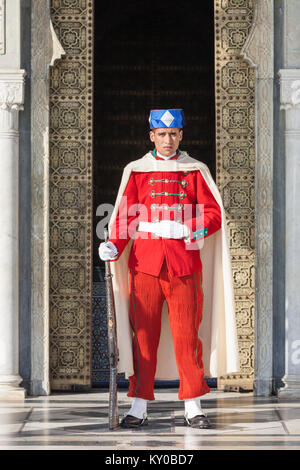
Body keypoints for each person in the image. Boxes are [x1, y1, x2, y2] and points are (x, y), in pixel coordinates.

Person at [99, 109, 239, 429]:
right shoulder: (136, 171)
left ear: (181, 135)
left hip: (183, 265)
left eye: (173, 133)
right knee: (144, 339)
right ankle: (139, 405)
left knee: (186, 338)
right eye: (161, 134)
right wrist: (114, 245)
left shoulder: (194, 170)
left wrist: (189, 228)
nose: (167, 139)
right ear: (151, 136)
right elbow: (124, 219)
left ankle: (193, 405)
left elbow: (214, 215)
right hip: (145, 266)